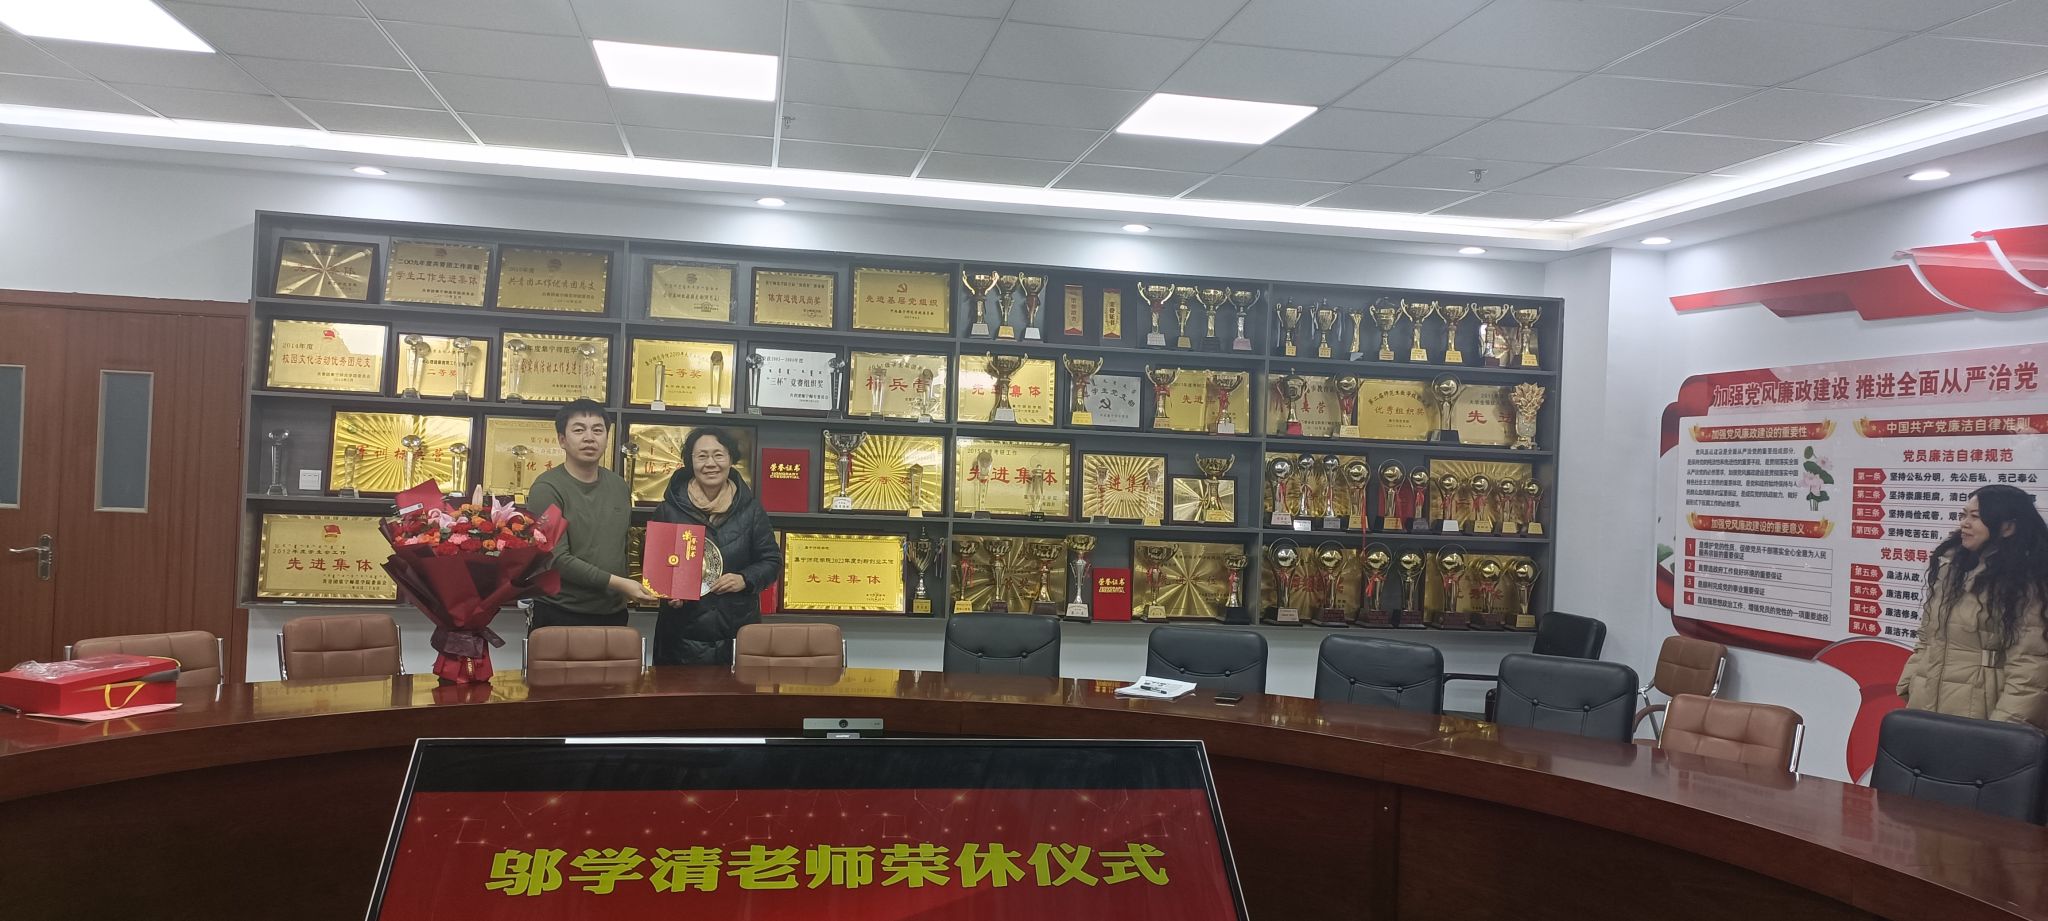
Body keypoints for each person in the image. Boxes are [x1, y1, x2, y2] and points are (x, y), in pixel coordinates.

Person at [1895, 484, 2048, 730]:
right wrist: (1910, 683)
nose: (1964, 523)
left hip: (1984, 715)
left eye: (1975, 517)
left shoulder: (2025, 581)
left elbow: (2030, 668)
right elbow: (1927, 637)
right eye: (1964, 515)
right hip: (1926, 705)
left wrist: (2002, 731)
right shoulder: (1951, 568)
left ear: (2008, 527)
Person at [652, 426, 781, 665]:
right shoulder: (668, 510)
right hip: (681, 638)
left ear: (731, 459)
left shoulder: (751, 510)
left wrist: (744, 579)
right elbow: (656, 567)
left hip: (737, 633)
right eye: (702, 456)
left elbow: (772, 561)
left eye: (718, 455)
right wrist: (669, 592)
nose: (710, 463)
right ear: (690, 462)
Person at [523, 399, 656, 629]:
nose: (589, 438)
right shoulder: (546, 489)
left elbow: (624, 548)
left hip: (613, 612)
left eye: (597, 430)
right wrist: (620, 584)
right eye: (578, 430)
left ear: (607, 438)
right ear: (562, 440)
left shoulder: (619, 486)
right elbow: (556, 558)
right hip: (561, 612)